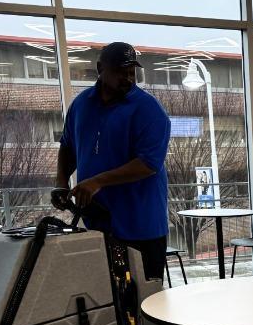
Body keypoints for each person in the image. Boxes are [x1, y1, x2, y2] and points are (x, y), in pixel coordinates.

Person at [54, 41, 171, 280]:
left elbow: (149, 164)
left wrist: (97, 181)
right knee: (106, 301)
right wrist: (61, 182)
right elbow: (68, 146)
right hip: (99, 224)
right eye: (121, 72)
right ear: (100, 69)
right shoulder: (81, 105)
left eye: (132, 72)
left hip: (141, 226)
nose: (128, 78)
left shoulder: (148, 110)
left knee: (144, 301)